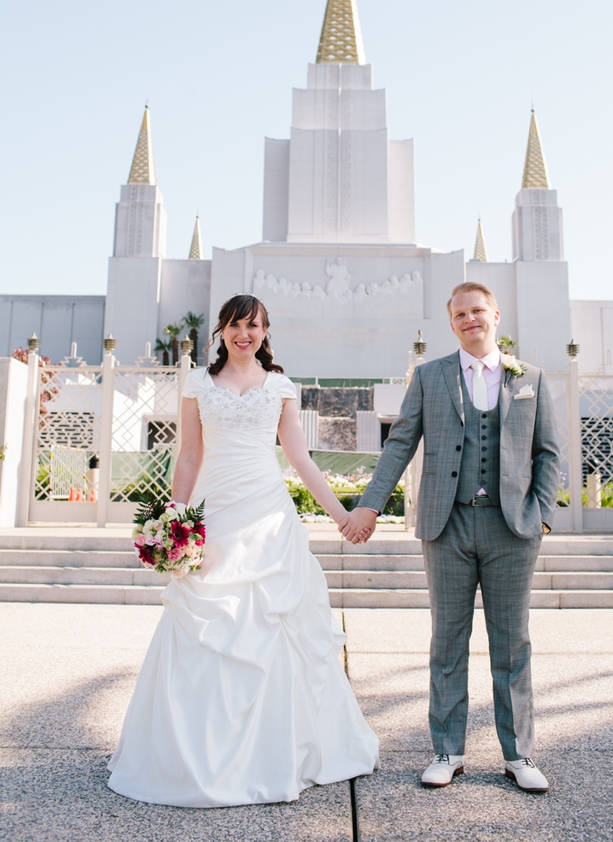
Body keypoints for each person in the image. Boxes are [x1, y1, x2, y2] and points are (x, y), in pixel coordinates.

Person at [108, 294, 378, 807]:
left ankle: (279, 752)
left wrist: (341, 515)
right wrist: (175, 517)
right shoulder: (197, 384)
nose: (243, 334)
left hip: (268, 514)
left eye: (252, 325)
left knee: (273, 622)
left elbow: (299, 456)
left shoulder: (279, 385)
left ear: (265, 330)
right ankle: (191, 754)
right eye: (234, 325)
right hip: (215, 514)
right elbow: (188, 455)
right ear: (221, 331)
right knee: (204, 621)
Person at [342, 282, 559, 793]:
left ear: (496, 314)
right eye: (460, 313)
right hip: (447, 525)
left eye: (477, 310)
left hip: (512, 529)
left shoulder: (530, 378)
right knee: (447, 642)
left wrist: (541, 518)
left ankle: (520, 755)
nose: (469, 319)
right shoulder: (430, 376)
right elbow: (400, 443)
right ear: (452, 321)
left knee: (512, 645)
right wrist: (370, 504)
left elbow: (548, 453)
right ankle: (447, 750)